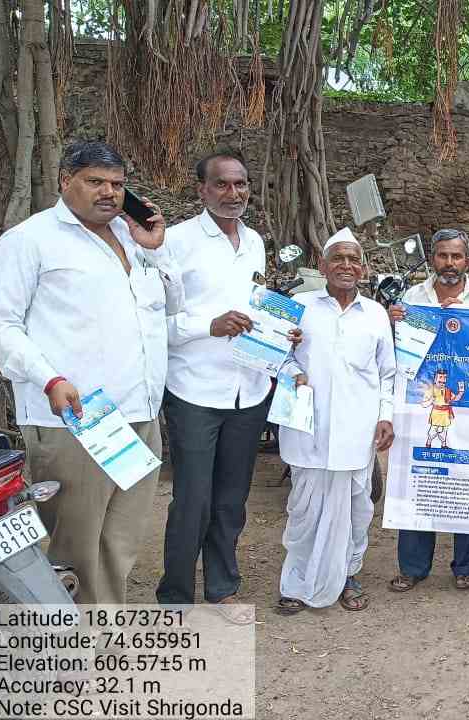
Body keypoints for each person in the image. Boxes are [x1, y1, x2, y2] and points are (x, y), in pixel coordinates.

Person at [0, 141, 182, 605]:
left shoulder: (133, 238)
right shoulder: (29, 240)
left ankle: (103, 625)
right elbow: (1, 324)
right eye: (95, 181)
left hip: (138, 413)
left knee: (121, 536)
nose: (109, 193)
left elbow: (171, 307)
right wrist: (49, 378)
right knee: (76, 540)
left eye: (117, 184)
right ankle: (72, 636)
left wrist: (156, 250)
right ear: (65, 181)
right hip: (74, 418)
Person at [158, 150, 298, 623]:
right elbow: (156, 322)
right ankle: (176, 597)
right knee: (192, 500)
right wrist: (209, 325)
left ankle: (221, 588)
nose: (233, 193)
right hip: (194, 391)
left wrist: (281, 334)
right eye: (221, 184)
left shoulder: (254, 242)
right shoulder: (174, 243)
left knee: (231, 500)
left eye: (240, 184)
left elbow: (256, 309)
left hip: (249, 389)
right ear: (201, 189)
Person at [276, 228, 396, 615]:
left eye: (353, 259)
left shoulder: (375, 314)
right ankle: (296, 582)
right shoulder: (300, 305)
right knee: (304, 510)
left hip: (356, 433)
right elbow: (275, 354)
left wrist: (386, 416)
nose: (346, 265)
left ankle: (347, 574)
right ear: (323, 265)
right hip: (308, 428)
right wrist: (292, 370)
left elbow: (388, 374)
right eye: (338, 259)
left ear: (363, 268)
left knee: (357, 510)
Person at [386, 228, 469, 593]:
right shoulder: (412, 297)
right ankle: (413, 567)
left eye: (456, 256)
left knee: (467, 478)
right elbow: (395, 348)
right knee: (419, 477)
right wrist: (393, 322)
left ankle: (465, 566)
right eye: (443, 255)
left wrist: (467, 321)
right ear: (432, 258)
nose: (449, 263)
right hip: (421, 397)